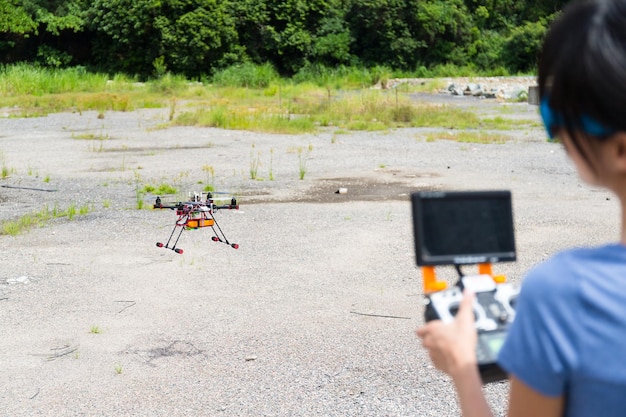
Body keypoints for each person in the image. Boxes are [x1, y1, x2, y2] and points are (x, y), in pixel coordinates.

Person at [415, 0, 626, 416]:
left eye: (558, 116)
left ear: (620, 147)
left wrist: (461, 367)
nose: (557, 133)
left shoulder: (565, 295)